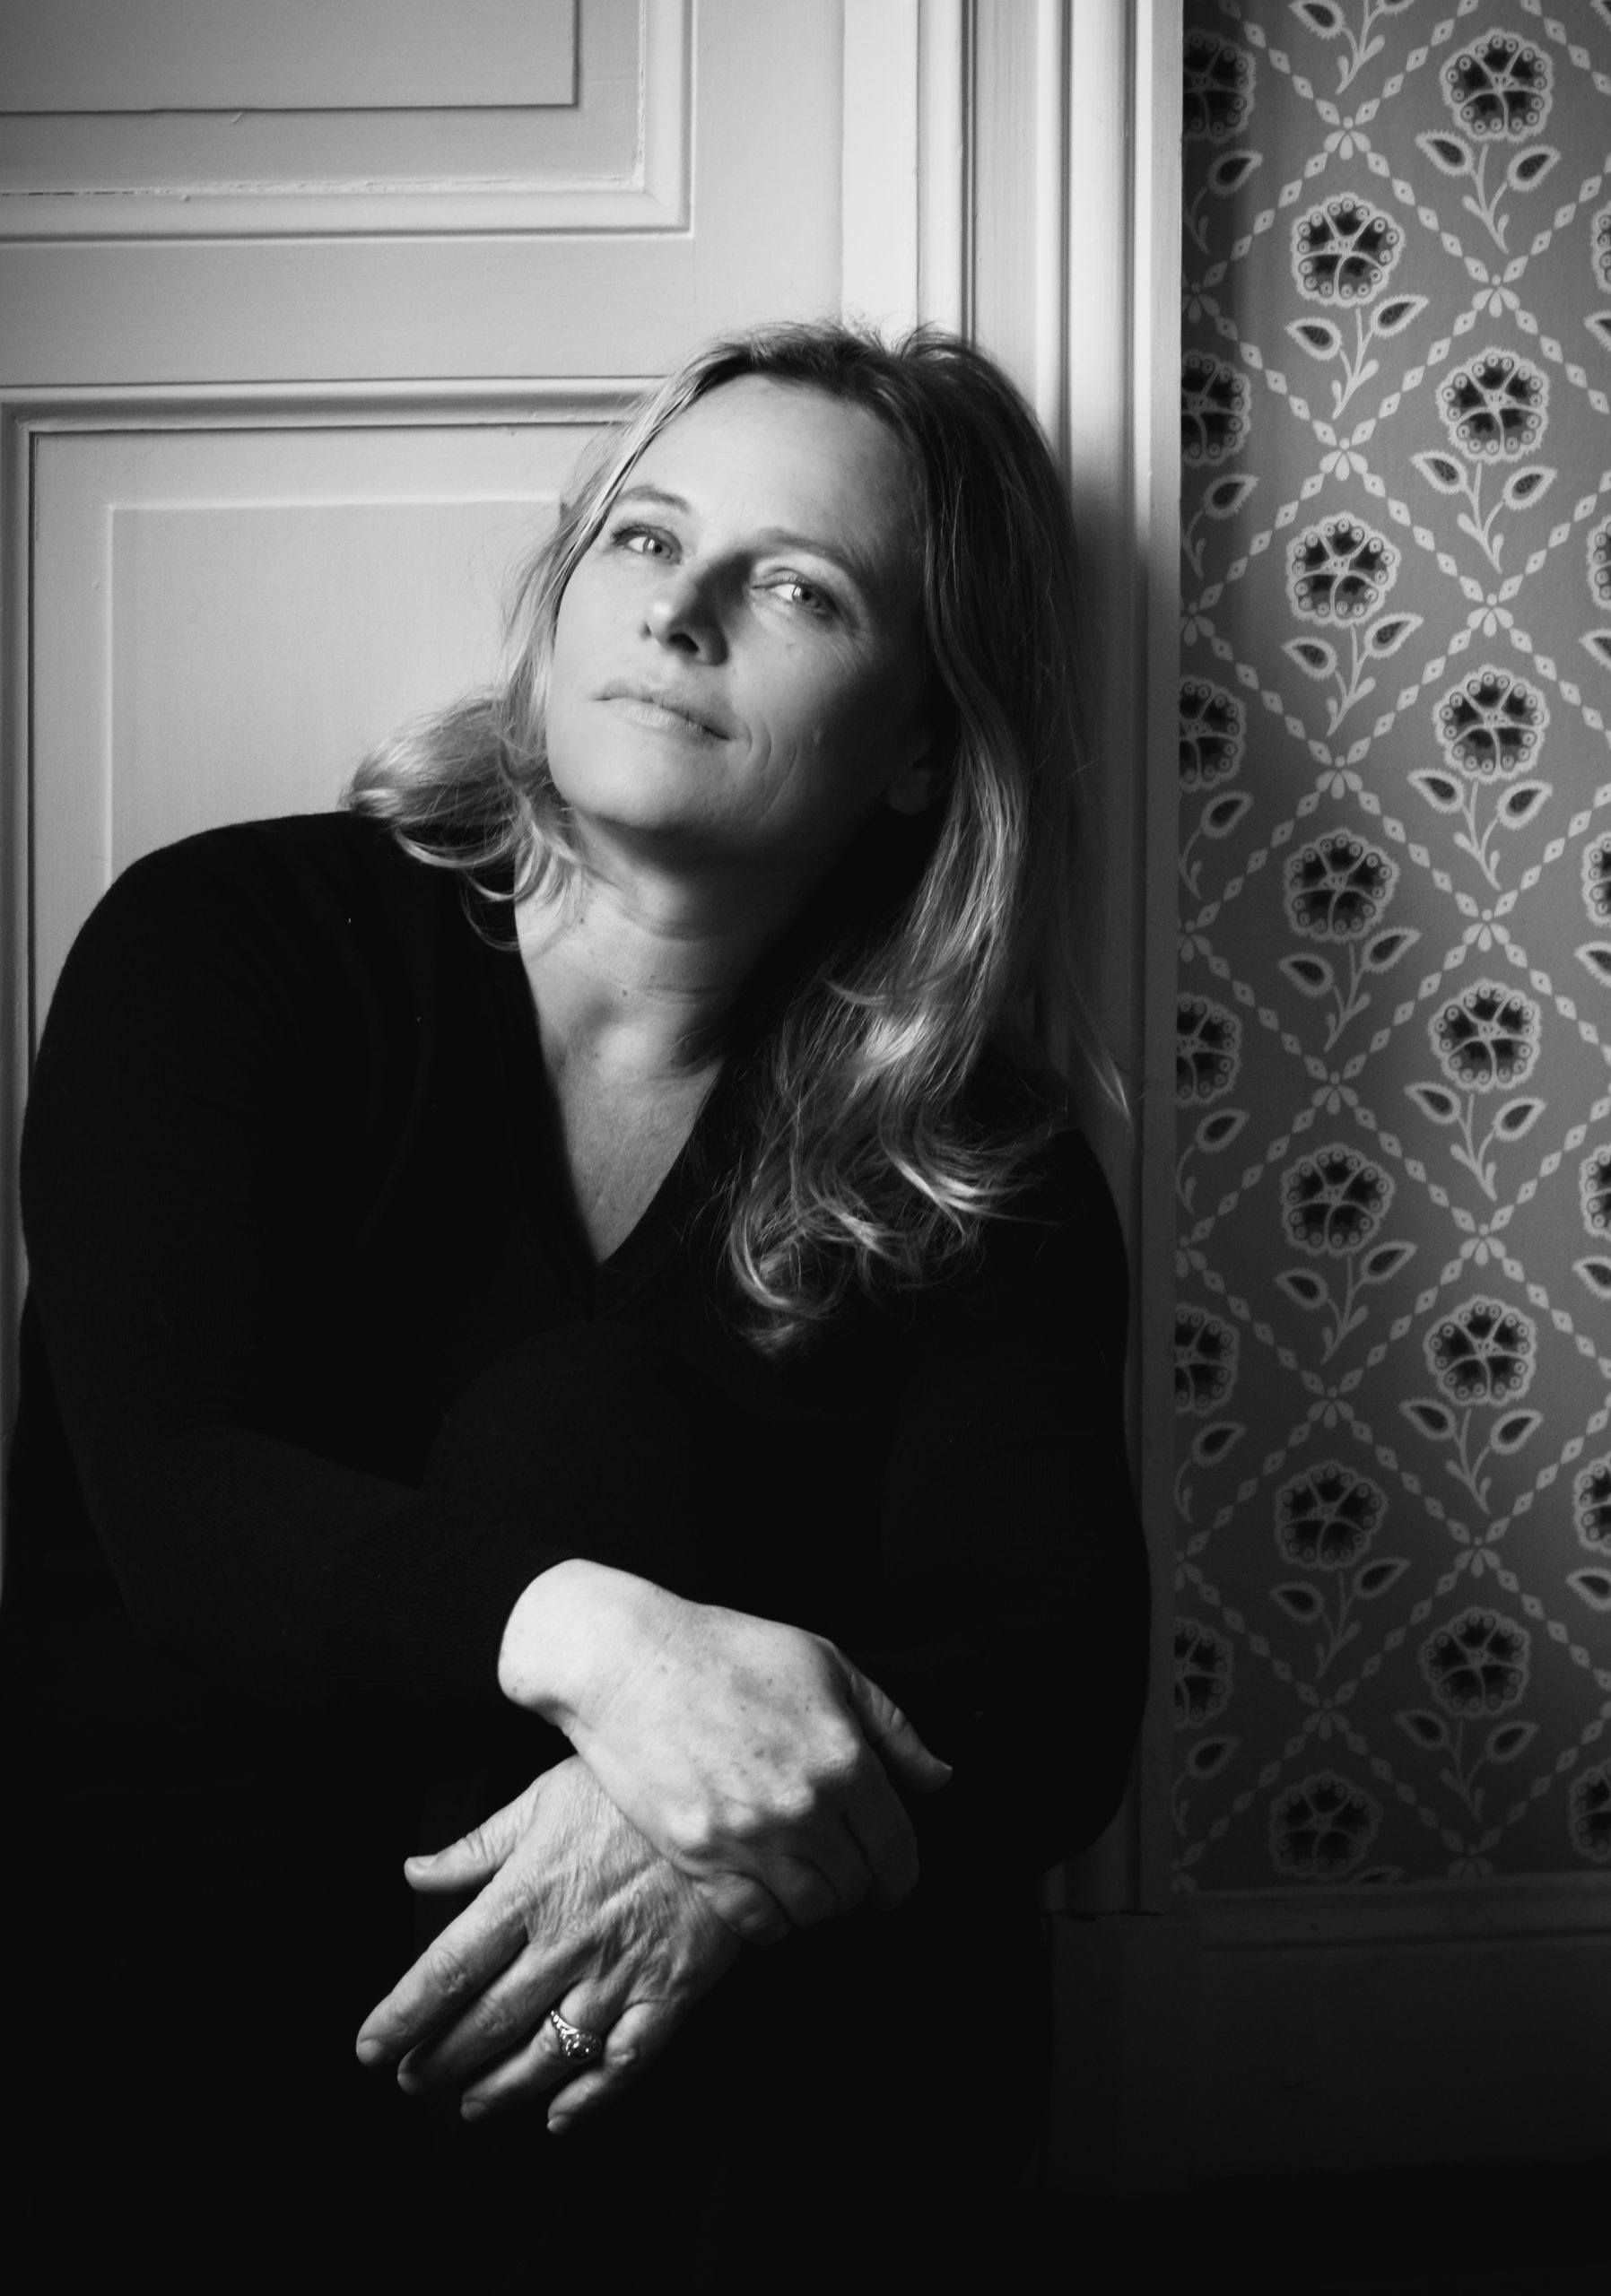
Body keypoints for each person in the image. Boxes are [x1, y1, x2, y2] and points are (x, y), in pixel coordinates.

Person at [2, 322, 1148, 2249]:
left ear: (924, 743)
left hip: (709, 2085)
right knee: (585, 1436)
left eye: (796, 587)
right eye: (645, 537)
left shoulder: (975, 1155)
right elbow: (174, 1502)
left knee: (608, 1444)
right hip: (215, 1956)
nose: (680, 611)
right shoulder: (235, 943)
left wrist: (686, 1826)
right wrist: (616, 1652)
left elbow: (1049, 1691)